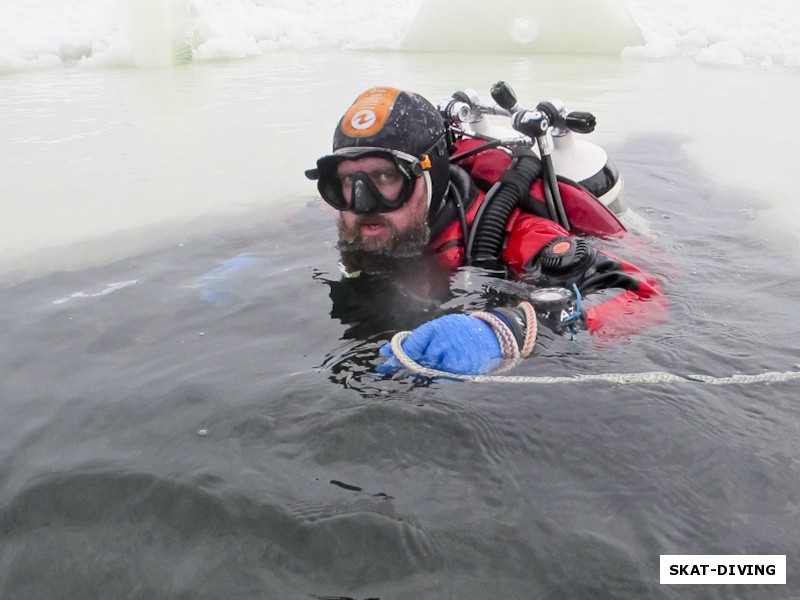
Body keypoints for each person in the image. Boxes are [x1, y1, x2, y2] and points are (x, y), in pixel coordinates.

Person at [306, 86, 668, 376]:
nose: (361, 203)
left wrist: (515, 329)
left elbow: (644, 296)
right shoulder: (350, 210)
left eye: (386, 177)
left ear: (431, 178)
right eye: (345, 181)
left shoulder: (515, 233)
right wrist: (252, 258)